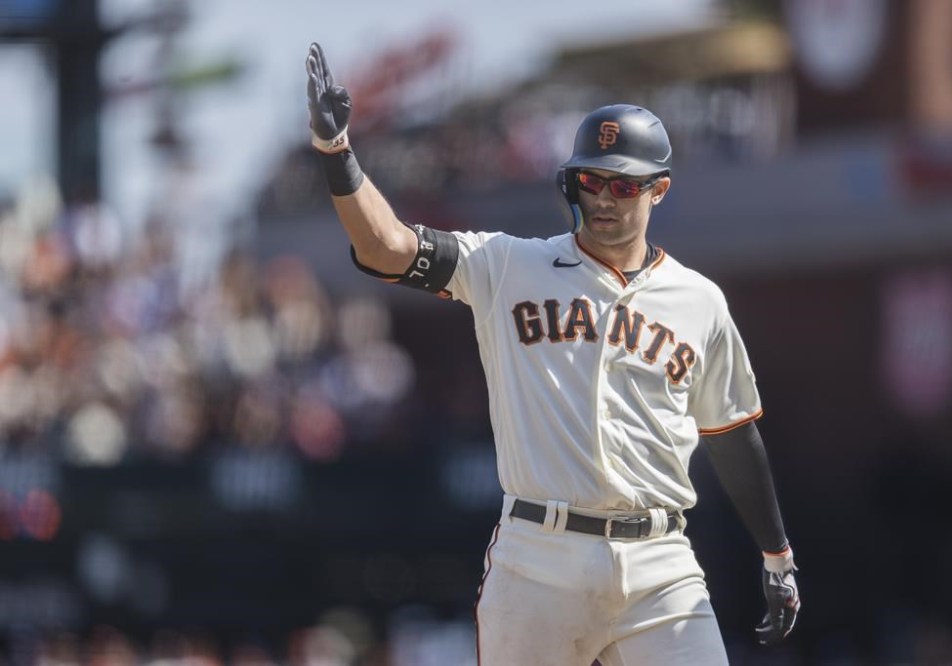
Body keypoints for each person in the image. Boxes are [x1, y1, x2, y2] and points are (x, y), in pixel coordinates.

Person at [305, 42, 800, 665]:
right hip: (540, 554)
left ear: (660, 190)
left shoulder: (698, 300)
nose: (604, 197)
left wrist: (776, 555)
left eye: (623, 184)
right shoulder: (511, 264)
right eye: (591, 180)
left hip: (661, 562)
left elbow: (731, 431)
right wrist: (336, 154)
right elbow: (388, 249)